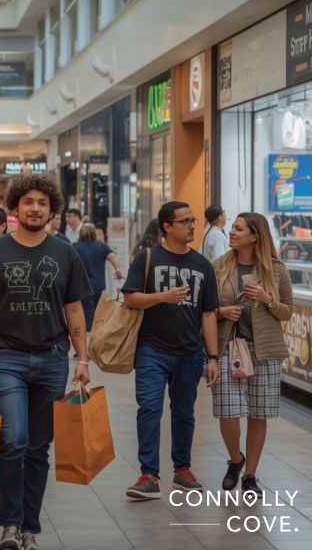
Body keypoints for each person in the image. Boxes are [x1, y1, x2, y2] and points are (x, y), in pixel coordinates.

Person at [0, 174, 93, 550]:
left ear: (52, 210)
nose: (35, 208)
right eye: (28, 202)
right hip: (4, 356)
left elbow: (75, 308)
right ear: (15, 208)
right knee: (13, 439)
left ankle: (29, 527)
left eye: (43, 203)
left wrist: (83, 358)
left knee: (37, 447)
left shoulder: (66, 253)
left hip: (52, 358)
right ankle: (9, 524)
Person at [122, 201, 220, 500]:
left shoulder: (202, 264)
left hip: (190, 352)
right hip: (152, 348)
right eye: (185, 221)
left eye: (193, 220)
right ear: (167, 226)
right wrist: (162, 297)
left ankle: (182, 468)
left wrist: (212, 356)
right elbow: (130, 299)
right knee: (149, 409)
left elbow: (208, 313)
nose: (192, 225)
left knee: (183, 412)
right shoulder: (147, 257)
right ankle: (148, 474)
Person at [212, 213, 293, 496]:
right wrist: (222, 312)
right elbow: (205, 309)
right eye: (232, 227)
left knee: (258, 414)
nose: (231, 232)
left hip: (265, 349)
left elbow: (287, 311)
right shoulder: (219, 266)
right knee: (227, 410)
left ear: (255, 236)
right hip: (228, 347)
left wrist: (267, 299)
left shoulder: (276, 269)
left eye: (238, 228)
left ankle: (250, 475)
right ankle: (236, 458)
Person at [72, 223, 123, 331]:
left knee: (87, 314)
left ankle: (89, 337)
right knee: (97, 311)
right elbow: (113, 257)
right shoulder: (101, 246)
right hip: (99, 285)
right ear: (94, 233)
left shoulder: (75, 246)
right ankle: (96, 335)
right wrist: (118, 270)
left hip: (82, 286)